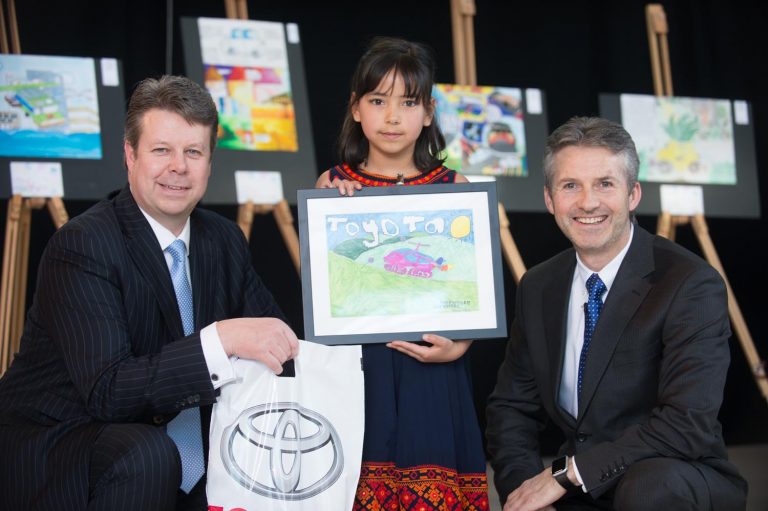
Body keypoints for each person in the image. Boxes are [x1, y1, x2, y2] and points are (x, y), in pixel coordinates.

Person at [0, 75, 299, 510]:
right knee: (149, 455)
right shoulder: (83, 244)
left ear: (209, 163)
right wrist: (221, 340)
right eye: (161, 150)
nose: (178, 166)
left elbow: (279, 346)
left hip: (169, 449)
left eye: (193, 152)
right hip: (66, 445)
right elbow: (108, 391)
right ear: (130, 155)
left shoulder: (224, 240)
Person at [485, 116, 747, 511]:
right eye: (570, 186)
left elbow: (686, 424)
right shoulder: (538, 285)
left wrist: (568, 474)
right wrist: (525, 491)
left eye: (605, 184)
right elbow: (511, 409)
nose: (588, 202)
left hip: (672, 481)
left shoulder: (689, 282)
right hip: (585, 490)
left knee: (647, 487)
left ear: (633, 194)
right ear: (550, 200)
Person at [316, 37, 489, 510]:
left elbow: (474, 290)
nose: (392, 117)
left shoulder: (456, 188)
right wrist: (330, 213)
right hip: (361, 371)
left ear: (429, 113)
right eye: (378, 101)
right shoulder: (332, 186)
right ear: (356, 108)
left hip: (433, 368)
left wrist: (460, 346)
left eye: (408, 103)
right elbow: (326, 290)